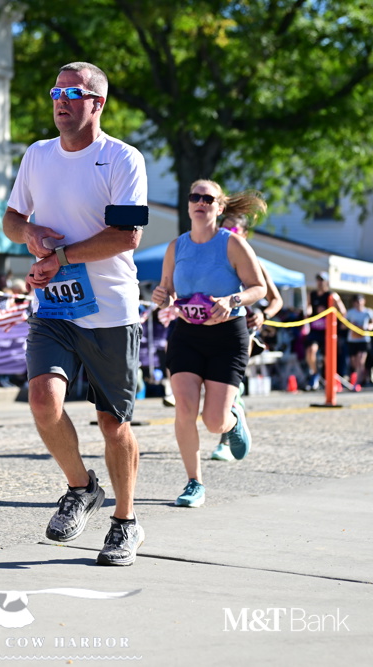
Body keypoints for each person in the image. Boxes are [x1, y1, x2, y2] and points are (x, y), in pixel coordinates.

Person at [2, 61, 147, 566]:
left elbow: (127, 236)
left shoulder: (123, 158)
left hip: (110, 310)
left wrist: (58, 258)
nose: (60, 101)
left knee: (112, 423)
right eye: (55, 92)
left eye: (72, 93)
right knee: (43, 401)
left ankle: (126, 522)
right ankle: (82, 488)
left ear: (97, 103)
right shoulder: (37, 155)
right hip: (54, 307)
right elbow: (11, 218)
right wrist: (29, 233)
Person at [152, 181, 266, 508]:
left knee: (213, 421)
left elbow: (258, 287)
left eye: (208, 198)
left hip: (227, 337)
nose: (200, 202)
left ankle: (233, 420)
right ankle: (194, 483)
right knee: (185, 409)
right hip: (187, 336)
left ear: (219, 207)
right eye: (195, 197)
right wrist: (162, 296)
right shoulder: (176, 247)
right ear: (188, 204)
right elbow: (167, 292)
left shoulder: (232, 244)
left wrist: (233, 300)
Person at [209, 212, 283, 462]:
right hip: (210, 331)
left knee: (227, 385)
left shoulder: (253, 262)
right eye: (223, 229)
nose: (227, 235)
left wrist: (263, 314)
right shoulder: (210, 257)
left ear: (245, 234)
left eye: (233, 230)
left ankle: (226, 440)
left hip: (242, 332)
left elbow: (276, 300)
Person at [304, 272, 347, 391]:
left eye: (322, 280)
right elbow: (308, 308)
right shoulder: (312, 294)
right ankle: (315, 374)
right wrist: (307, 314)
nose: (320, 282)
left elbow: (343, 311)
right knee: (310, 351)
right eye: (318, 280)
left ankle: (329, 378)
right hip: (315, 330)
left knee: (328, 358)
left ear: (327, 282)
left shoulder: (332, 295)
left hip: (328, 331)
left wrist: (340, 322)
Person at [345, 294, 373, 387]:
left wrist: (369, 326)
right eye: (356, 302)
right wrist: (351, 326)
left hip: (364, 340)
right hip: (352, 340)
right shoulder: (350, 312)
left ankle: (358, 382)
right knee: (354, 363)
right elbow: (343, 325)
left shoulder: (368, 312)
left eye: (359, 301)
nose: (358, 303)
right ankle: (359, 378)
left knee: (361, 361)